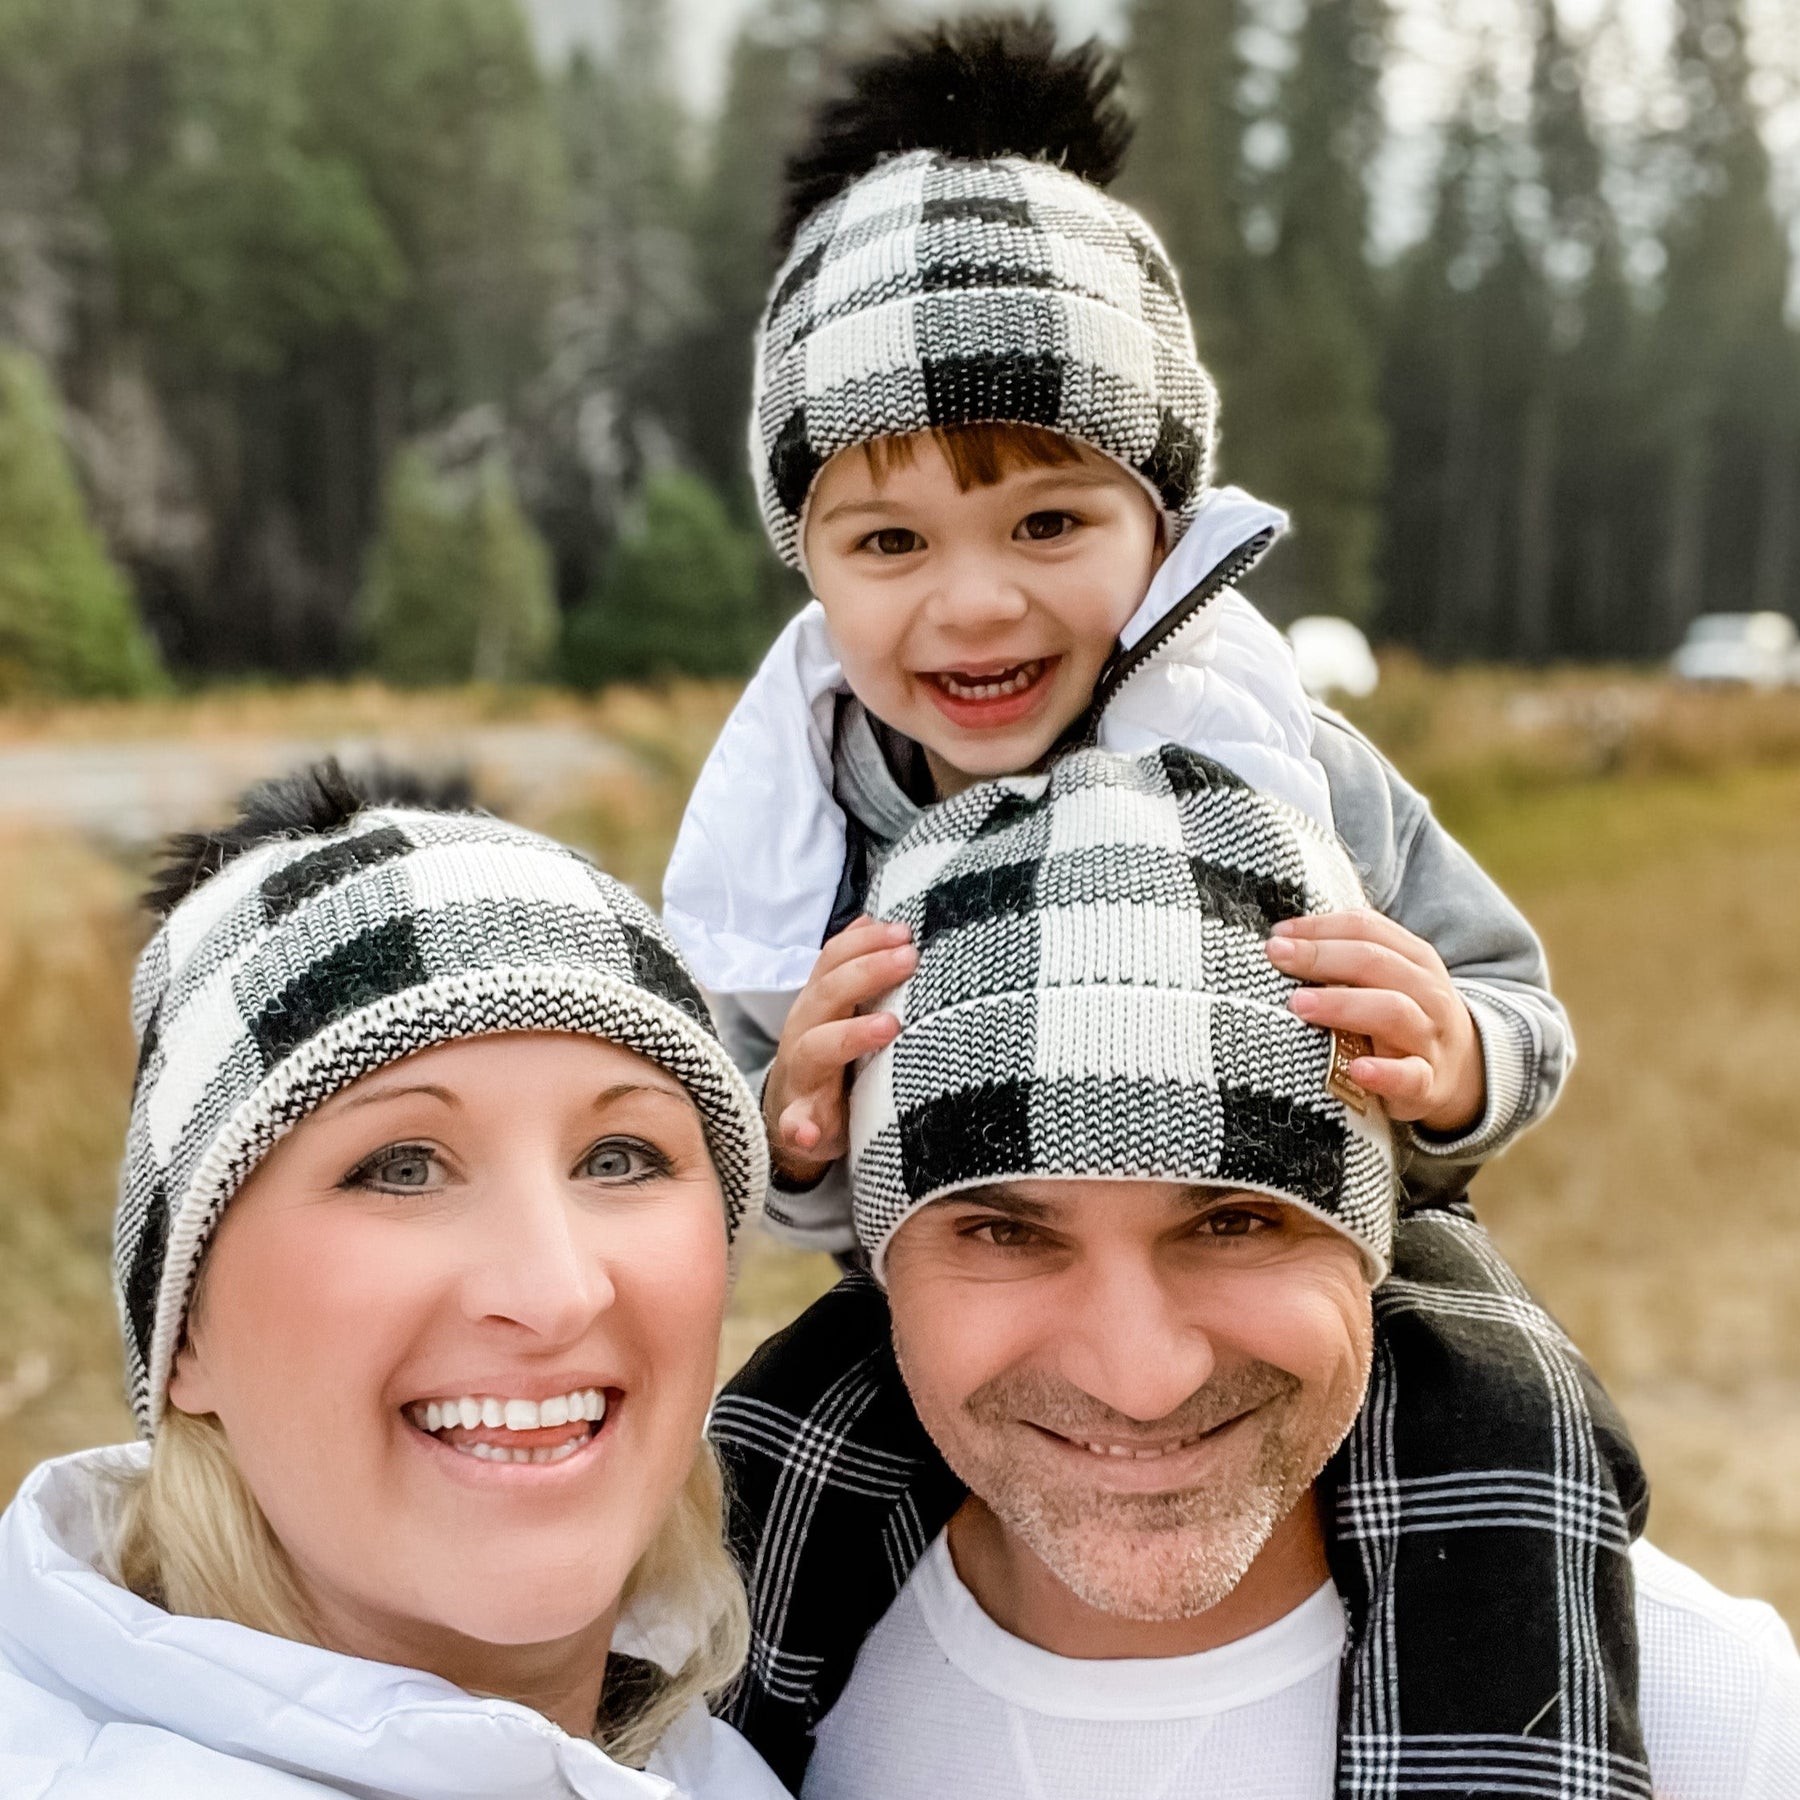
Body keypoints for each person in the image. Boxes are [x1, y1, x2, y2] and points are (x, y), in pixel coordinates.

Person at [667, 8, 1651, 1765]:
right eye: (889, 543)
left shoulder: (1283, 753)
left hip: (1326, 1241)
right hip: (968, 1279)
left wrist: (1453, 1060)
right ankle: (703, 1757)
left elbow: (1512, 996)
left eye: (1050, 524)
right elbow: (762, 1148)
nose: (975, 603)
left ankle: (1507, 1755)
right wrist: (796, 1132)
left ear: (1164, 523)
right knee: (778, 1456)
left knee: (1513, 1423)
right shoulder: (801, 821)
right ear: (806, 561)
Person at [712, 743, 1800, 1800]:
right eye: (1006, 1235)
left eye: (1234, 1224)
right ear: (883, 1268)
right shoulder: (696, 1697)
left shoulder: (1711, 1723)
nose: (1141, 1379)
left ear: (1374, 1242)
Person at [0, 761, 791, 1800]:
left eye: (619, 1158)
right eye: (402, 1168)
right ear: (184, 1332)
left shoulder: (731, 1756)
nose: (556, 1293)